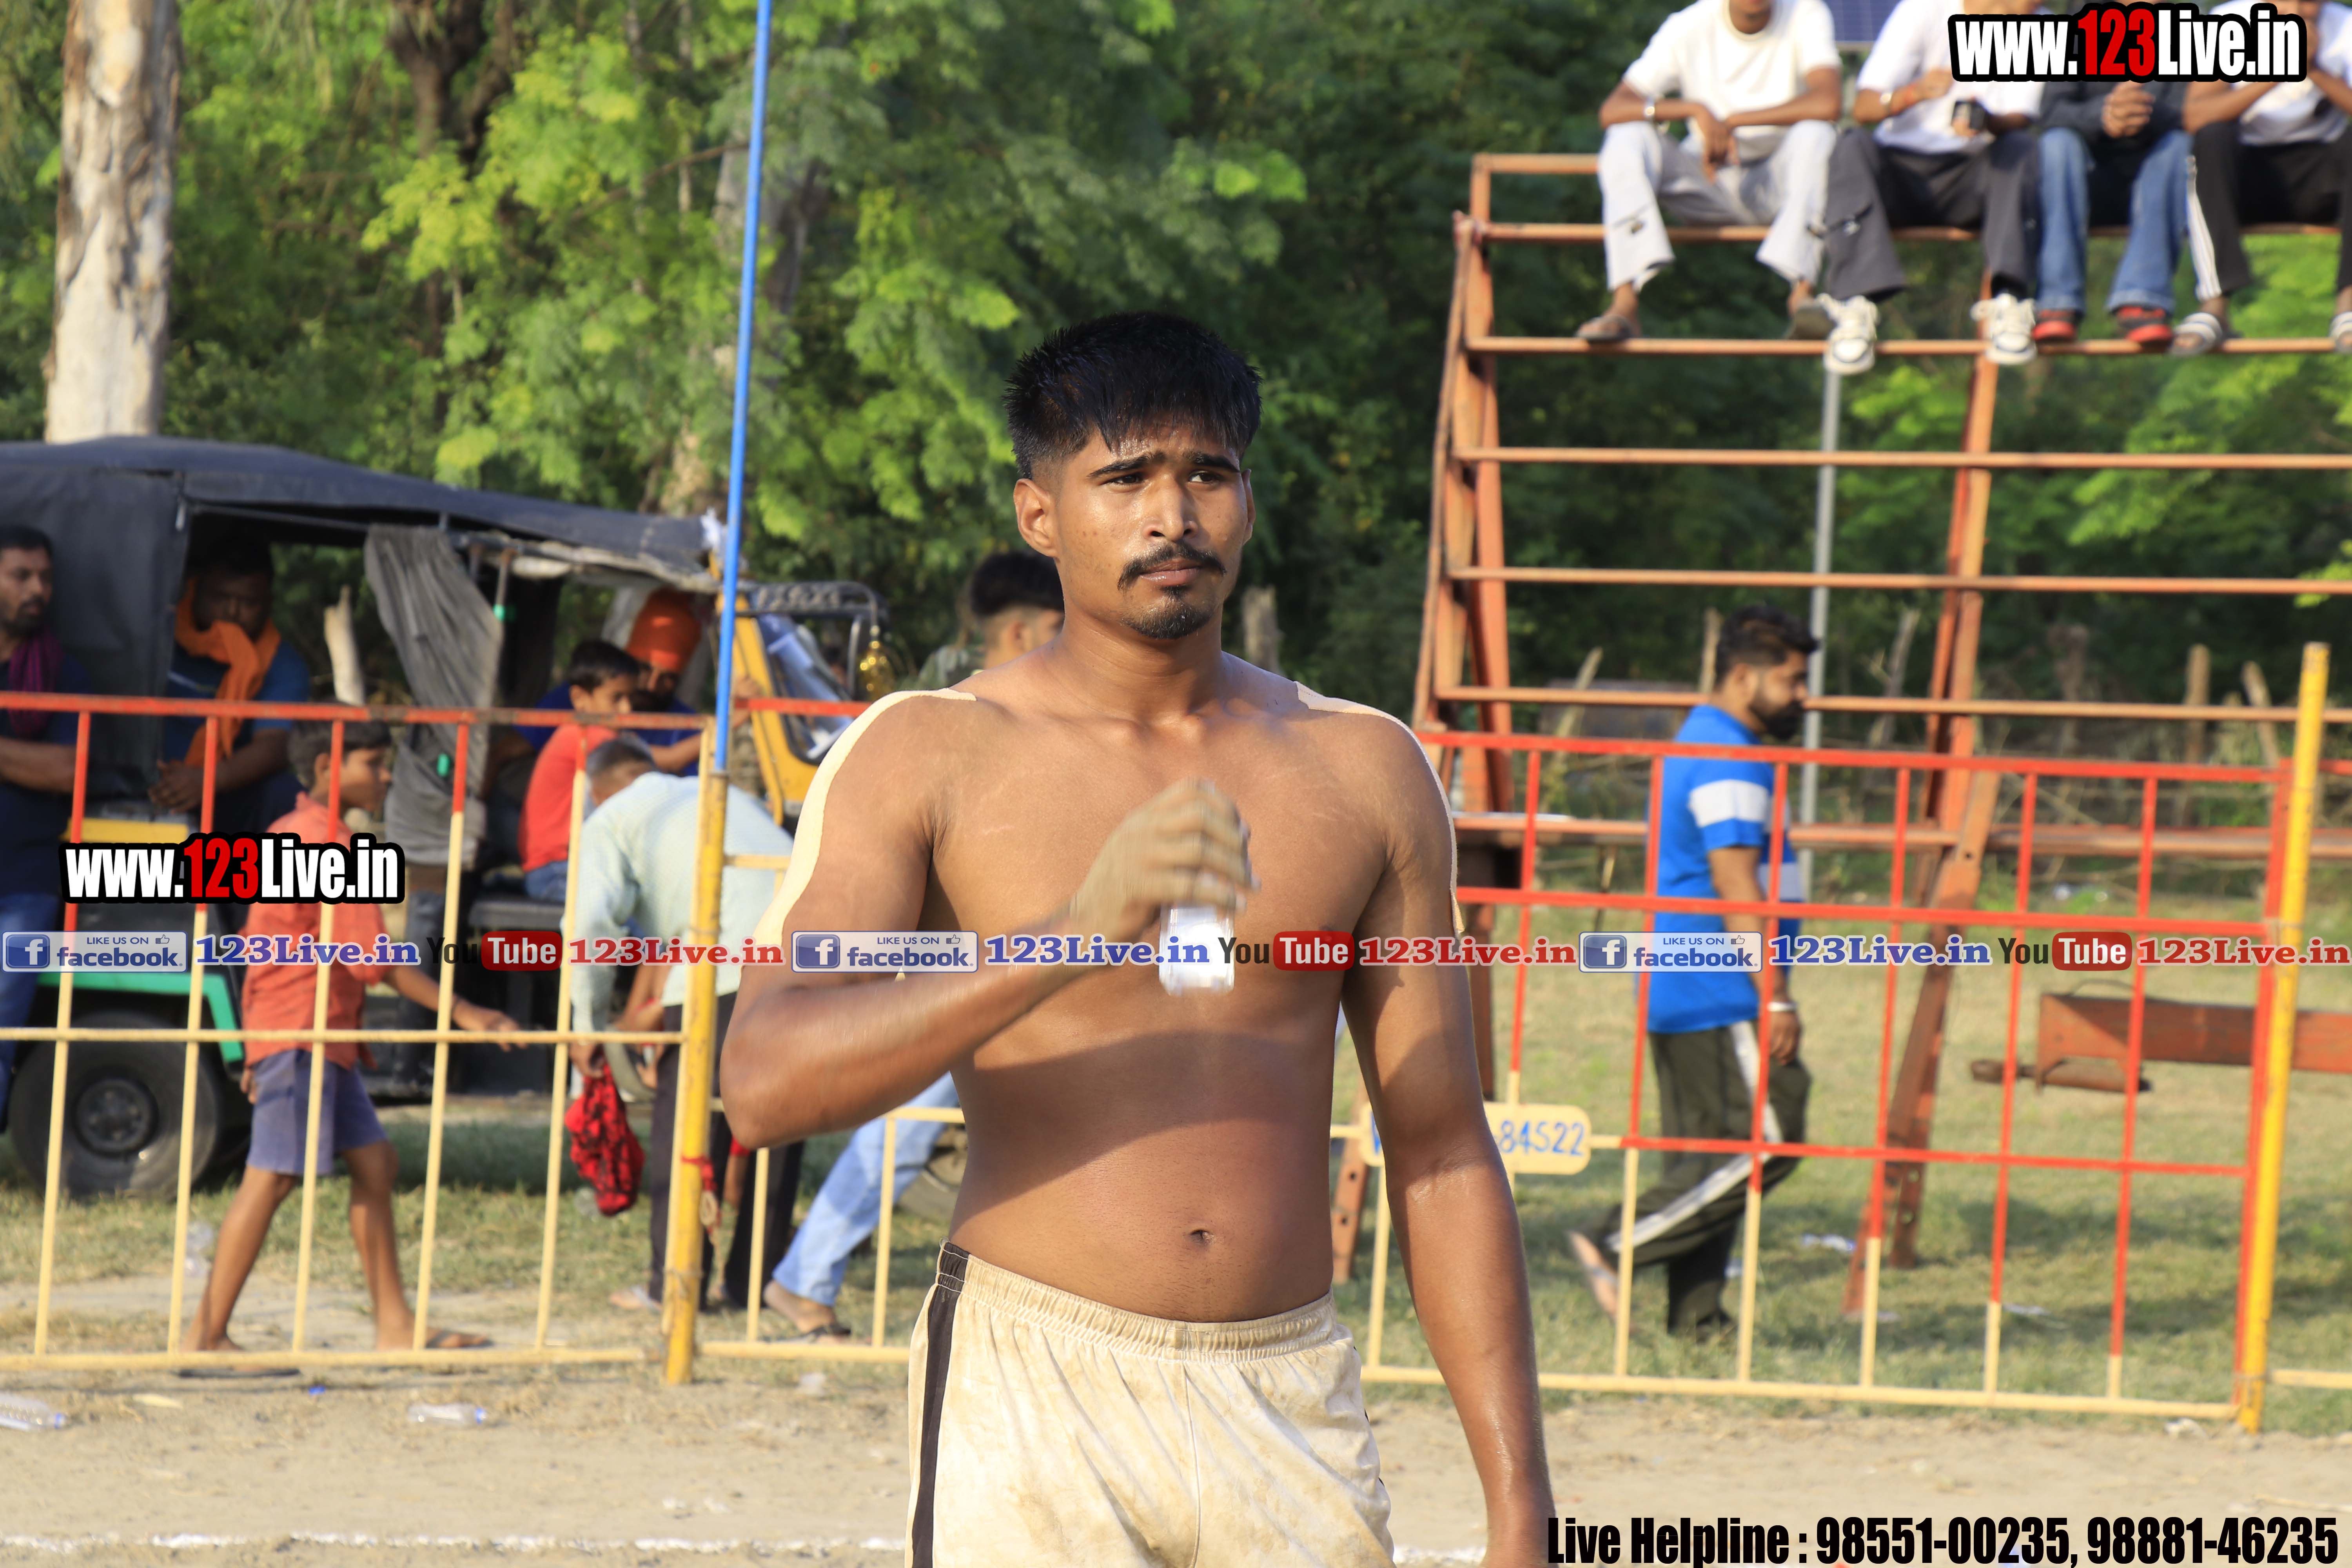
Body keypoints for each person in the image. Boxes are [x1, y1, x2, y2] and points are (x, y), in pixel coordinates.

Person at [720, 311, 1551, 1568]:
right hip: (1029, 1388)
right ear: (1039, 514)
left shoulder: (1365, 769)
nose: (1173, 515)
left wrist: (1522, 1508)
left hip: (1288, 1391)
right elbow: (764, 1084)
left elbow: (1438, 1149)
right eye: (1124, 478)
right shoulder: (927, 752)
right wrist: (1074, 933)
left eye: (1207, 473)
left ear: (1247, 502)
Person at [762, 549, 1065, 1341]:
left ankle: (805, 1276)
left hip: (977, 946)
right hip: (963, 951)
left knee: (921, 1120)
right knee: (911, 1121)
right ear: (1026, 629)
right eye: (1059, 627)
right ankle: (803, 1276)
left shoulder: (937, 686)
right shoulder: (979, 706)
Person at [189, 720, 521, 1354]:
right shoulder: (329, 844)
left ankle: (395, 1326)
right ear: (326, 767)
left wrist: (257, 1045)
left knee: (375, 1163)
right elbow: (375, 959)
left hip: (314, 1033)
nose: (387, 775)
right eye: (374, 762)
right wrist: (463, 1010)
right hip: (303, 1032)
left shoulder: (291, 831)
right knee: (272, 1178)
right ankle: (204, 1336)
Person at [1567, 605, 1815, 1341]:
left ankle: (1698, 1319)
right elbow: (1737, 885)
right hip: (1720, 983)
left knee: (1708, 1154)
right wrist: (1775, 998)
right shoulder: (1728, 756)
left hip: (1688, 980)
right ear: (1743, 676)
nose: (1804, 697)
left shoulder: (1706, 742)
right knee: (1771, 1136)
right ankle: (1614, 1243)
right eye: (1793, 681)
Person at [567, 733, 802, 1313]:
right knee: (780, 1119)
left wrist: (586, 1023)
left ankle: (673, 1284)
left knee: (689, 1127)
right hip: (805, 952)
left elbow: (592, 922)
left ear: (601, 790)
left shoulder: (612, 818)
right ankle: (756, 1282)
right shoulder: (720, 796)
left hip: (723, 963)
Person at [1576, 0, 1842, 344]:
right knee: (1626, 135)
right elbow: (1614, 109)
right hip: (1707, 179)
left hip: (1779, 184)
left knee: (1818, 134)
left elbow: (1828, 103)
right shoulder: (1689, 24)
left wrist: (1733, 121)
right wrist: (1693, 110)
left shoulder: (1805, 12)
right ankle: (1625, 303)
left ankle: (1803, 295)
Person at [1818, 0, 2046, 375]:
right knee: (1851, 145)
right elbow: (1863, 108)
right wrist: (1914, 93)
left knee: (2020, 148)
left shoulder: (2039, 27)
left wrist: (1987, 121)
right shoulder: (1924, 10)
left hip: (1972, 179)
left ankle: (2009, 301)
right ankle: (1854, 307)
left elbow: (2020, 117)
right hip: (1900, 174)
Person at [2178, 0, 2352, 355]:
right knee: (2209, 140)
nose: (2301, 9)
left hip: (2323, 177)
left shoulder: (2346, 27)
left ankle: (2349, 303)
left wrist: (2313, 69)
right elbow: (2196, 116)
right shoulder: (2228, 21)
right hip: (2247, 177)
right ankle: (2215, 302)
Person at [0, 526, 89, 1123]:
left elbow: (64, 770)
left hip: (23, 883)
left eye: (46, 578)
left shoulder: (61, 673)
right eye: (21, 576)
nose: (38, 589)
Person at [152, 537, 312, 838]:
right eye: (219, 598)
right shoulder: (157, 634)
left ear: (269, 604)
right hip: (147, 777)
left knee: (287, 794)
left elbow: (275, 744)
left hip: (226, 789)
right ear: (196, 590)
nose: (232, 612)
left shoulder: (281, 662)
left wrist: (206, 781)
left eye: (248, 603)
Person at [2033, 71, 2190, 347]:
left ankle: (2143, 296)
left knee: (2182, 143)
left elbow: (2195, 110)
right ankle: (2057, 301)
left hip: (2159, 183)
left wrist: (2141, 113)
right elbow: (2051, 112)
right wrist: (2104, 114)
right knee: (2056, 143)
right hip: (2086, 183)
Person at [519, 640, 638, 904]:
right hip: (558, 871)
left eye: (631, 698)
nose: (627, 709)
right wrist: (713, 732)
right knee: (631, 913)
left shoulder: (594, 735)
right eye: (616, 698)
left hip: (562, 867)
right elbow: (651, 764)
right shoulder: (586, 734)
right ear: (580, 699)